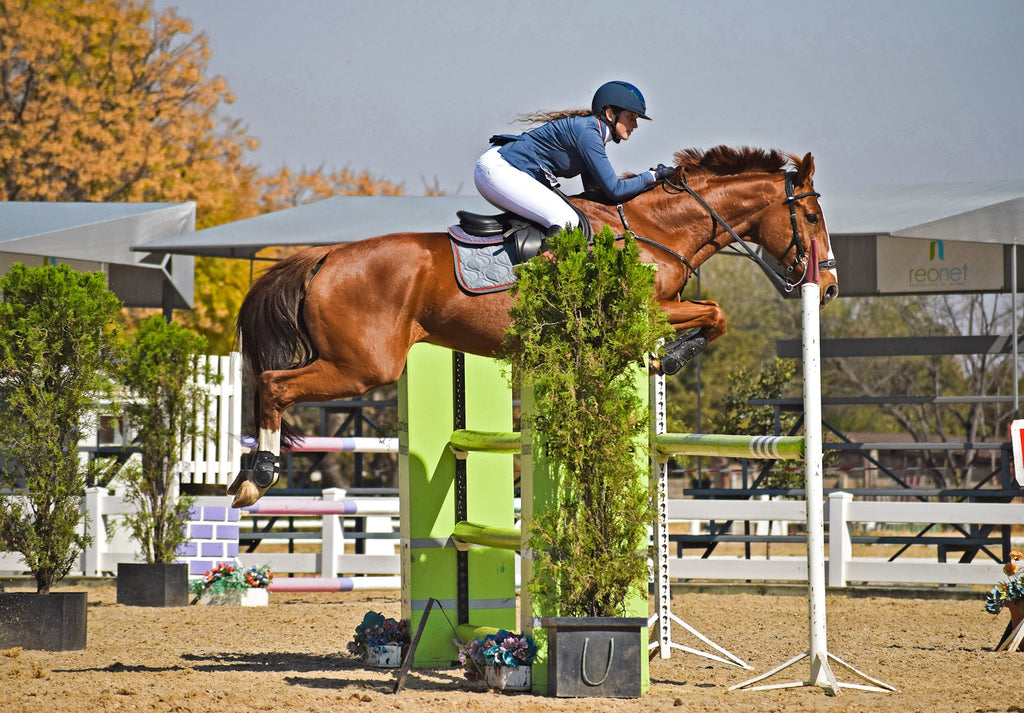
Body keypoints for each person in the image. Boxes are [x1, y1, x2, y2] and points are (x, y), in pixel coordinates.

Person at [474, 80, 675, 236]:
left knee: (570, 215)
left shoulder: (592, 133)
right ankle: (532, 276)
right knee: (565, 219)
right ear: (610, 113)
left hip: (505, 169)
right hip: (500, 169)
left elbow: (597, 193)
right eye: (631, 117)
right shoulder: (588, 133)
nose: (635, 125)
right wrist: (652, 175)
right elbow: (615, 190)